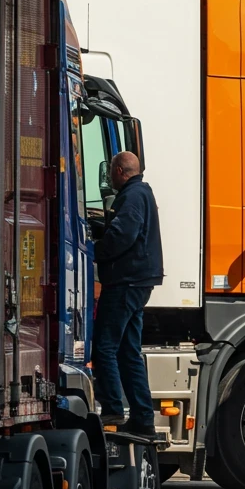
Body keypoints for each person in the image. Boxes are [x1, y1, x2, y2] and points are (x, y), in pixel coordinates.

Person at [91, 151, 163, 435]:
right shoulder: (142, 193)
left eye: (111, 171)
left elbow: (123, 235)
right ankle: (143, 418)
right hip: (139, 281)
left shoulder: (132, 196)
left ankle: (112, 408)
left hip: (126, 281)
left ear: (121, 171)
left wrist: (95, 251)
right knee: (128, 351)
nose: (110, 177)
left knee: (105, 346)